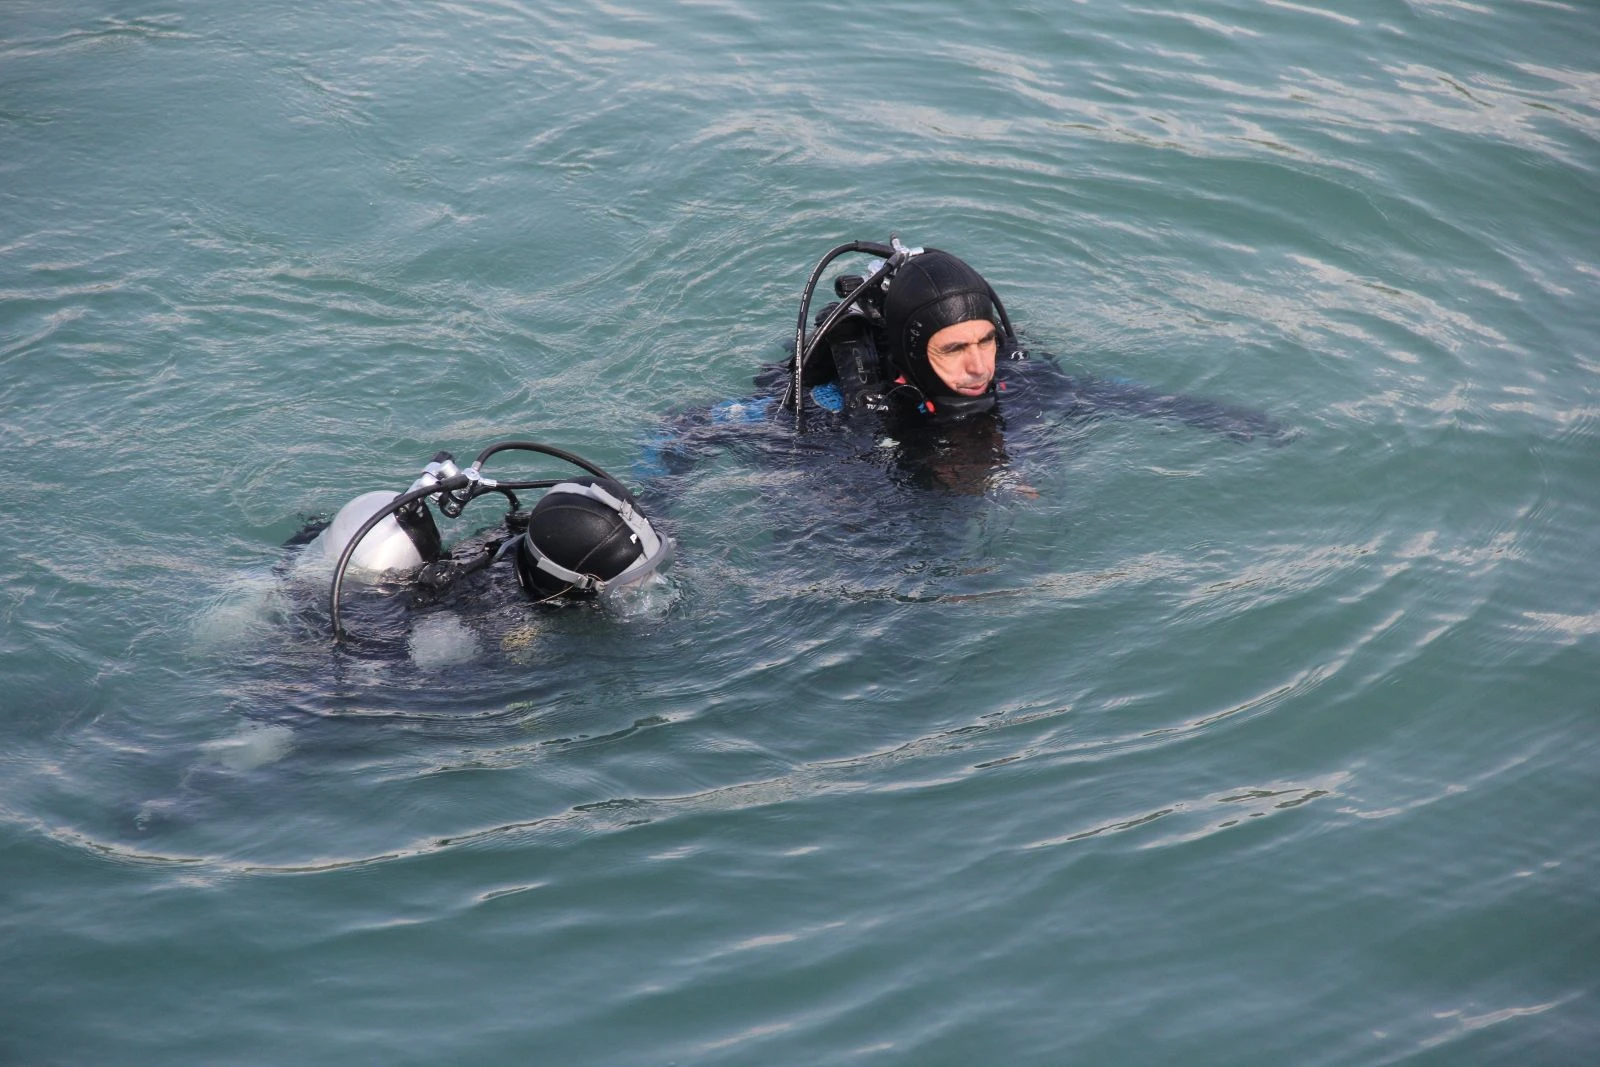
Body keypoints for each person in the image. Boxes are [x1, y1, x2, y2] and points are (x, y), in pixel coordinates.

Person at [639, 236, 1288, 496]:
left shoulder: (1015, 377)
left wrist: (1231, 421)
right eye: (953, 348)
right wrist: (660, 507)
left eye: (986, 341)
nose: (980, 365)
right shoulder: (837, 403)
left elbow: (1122, 397)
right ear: (908, 351)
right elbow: (685, 428)